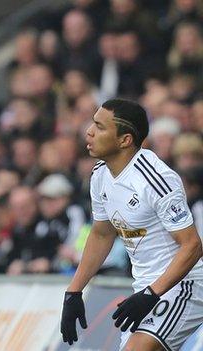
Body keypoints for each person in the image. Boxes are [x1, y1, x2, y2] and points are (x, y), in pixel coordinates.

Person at [60, 98, 203, 350]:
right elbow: (102, 234)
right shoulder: (100, 174)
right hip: (145, 288)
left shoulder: (157, 179)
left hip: (185, 285)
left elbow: (192, 246)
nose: (89, 132)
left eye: (100, 127)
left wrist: (152, 293)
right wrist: (74, 290)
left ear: (125, 140)